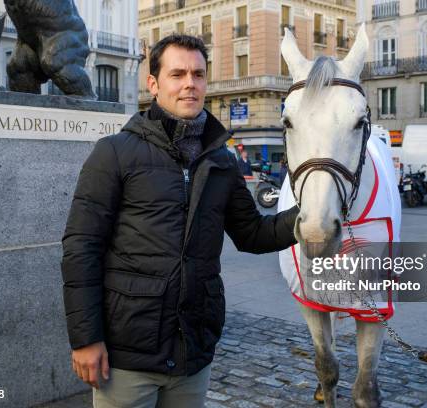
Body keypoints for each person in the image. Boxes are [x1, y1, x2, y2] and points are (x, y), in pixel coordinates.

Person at [61, 34, 299, 408]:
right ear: (153, 84)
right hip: (127, 355)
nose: (190, 82)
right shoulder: (114, 153)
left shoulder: (222, 161)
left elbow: (253, 233)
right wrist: (86, 339)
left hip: (193, 351)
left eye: (198, 74)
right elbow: (81, 249)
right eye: (178, 74)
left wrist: (310, 217)